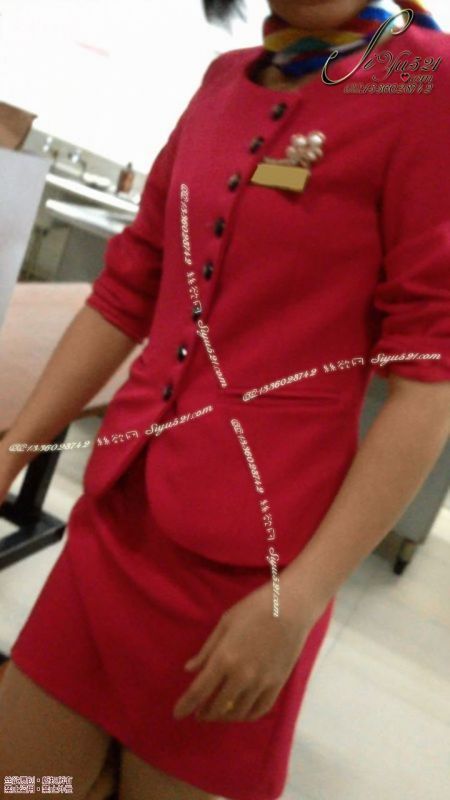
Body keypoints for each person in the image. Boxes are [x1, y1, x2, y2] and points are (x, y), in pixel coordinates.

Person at [1, 1, 450, 798]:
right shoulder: (223, 82)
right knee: (30, 784)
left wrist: (300, 599)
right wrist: (12, 451)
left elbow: (428, 380)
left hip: (250, 577)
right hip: (113, 529)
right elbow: (126, 292)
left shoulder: (426, 85)